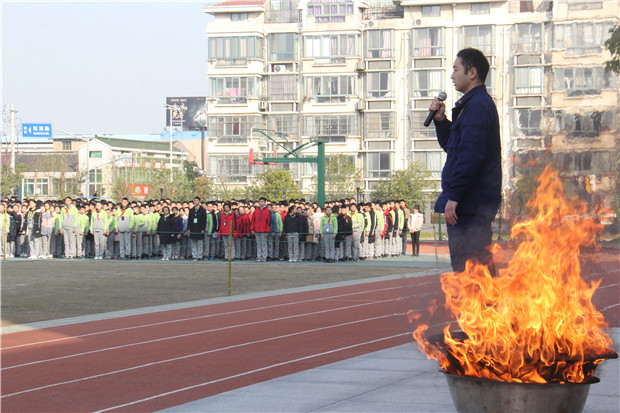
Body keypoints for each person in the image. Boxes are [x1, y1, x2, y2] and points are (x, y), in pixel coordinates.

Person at [428, 48, 501, 274]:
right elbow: (456, 148)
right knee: (473, 271)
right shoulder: (471, 106)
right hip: (470, 203)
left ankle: (488, 301)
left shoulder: (477, 106)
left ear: (472, 72)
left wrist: (455, 196)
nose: (452, 76)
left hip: (470, 204)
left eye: (456, 69)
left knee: (473, 271)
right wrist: (441, 121)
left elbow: (470, 155)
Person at [251, 197, 271, 262]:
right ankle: (259, 256)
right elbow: (253, 220)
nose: (261, 203)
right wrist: (252, 228)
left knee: (264, 244)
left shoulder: (267, 211)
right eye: (260, 201)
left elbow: (269, 222)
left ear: (265, 202)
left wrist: (267, 230)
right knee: (258, 244)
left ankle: (264, 257)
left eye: (262, 201)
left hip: (264, 230)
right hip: (257, 230)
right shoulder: (256, 210)